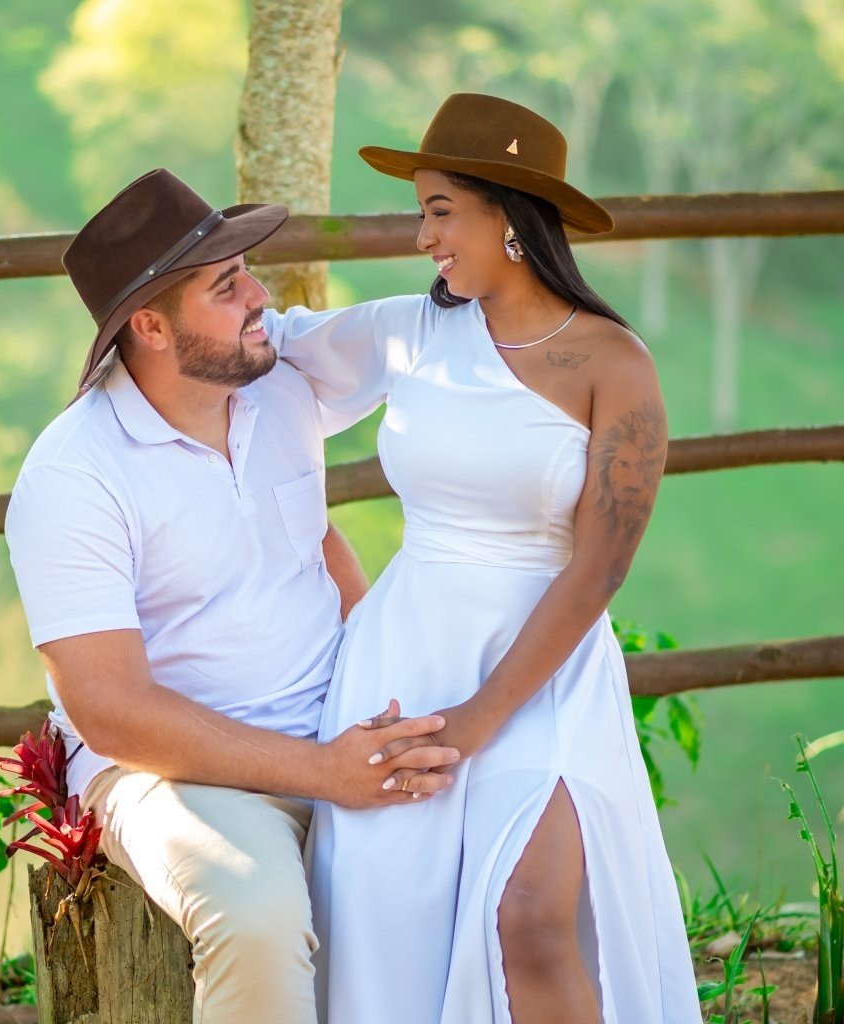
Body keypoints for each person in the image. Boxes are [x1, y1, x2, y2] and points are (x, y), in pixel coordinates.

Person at [262, 94, 701, 1023]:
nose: (421, 236)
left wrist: (478, 719)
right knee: (398, 927)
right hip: (405, 659)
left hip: (546, 670)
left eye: (439, 211)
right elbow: (268, 352)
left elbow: (600, 567)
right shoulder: (411, 332)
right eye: (421, 211)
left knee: (531, 917)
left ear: (510, 217)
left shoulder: (615, 364)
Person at [3, 168, 460, 1024]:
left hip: (336, 721)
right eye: (226, 285)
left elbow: (418, 331)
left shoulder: (277, 376)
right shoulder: (73, 476)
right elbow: (110, 710)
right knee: (255, 914)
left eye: (247, 272)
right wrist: (323, 774)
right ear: (150, 327)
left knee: (494, 844)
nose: (260, 297)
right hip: (170, 772)